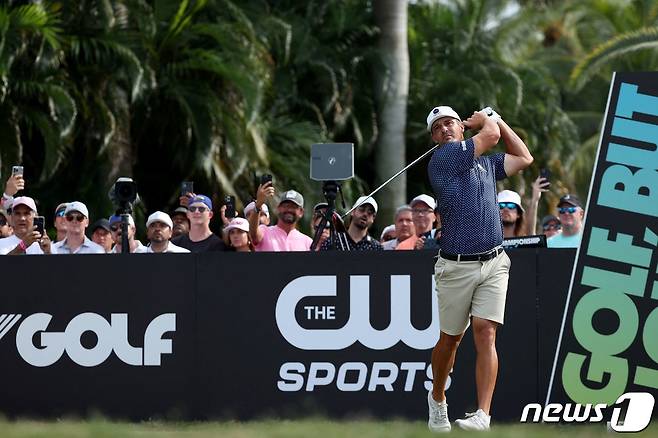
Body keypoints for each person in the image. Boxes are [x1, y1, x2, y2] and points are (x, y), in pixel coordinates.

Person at [426, 105, 533, 431]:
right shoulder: (442, 160)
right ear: (434, 138)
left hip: (495, 261)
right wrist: (486, 122)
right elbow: (490, 135)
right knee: (450, 342)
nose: (445, 129)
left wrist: (498, 119)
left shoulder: (485, 163)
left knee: (486, 333)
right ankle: (438, 399)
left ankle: (483, 416)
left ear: (461, 128)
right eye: (437, 127)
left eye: (450, 123)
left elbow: (524, 158)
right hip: (456, 267)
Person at [249, 183, 312, 251]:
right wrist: (258, 204)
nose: (289, 210)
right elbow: (253, 234)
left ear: (301, 212)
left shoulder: (307, 242)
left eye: (293, 207)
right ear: (278, 208)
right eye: (286, 206)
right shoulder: (264, 232)